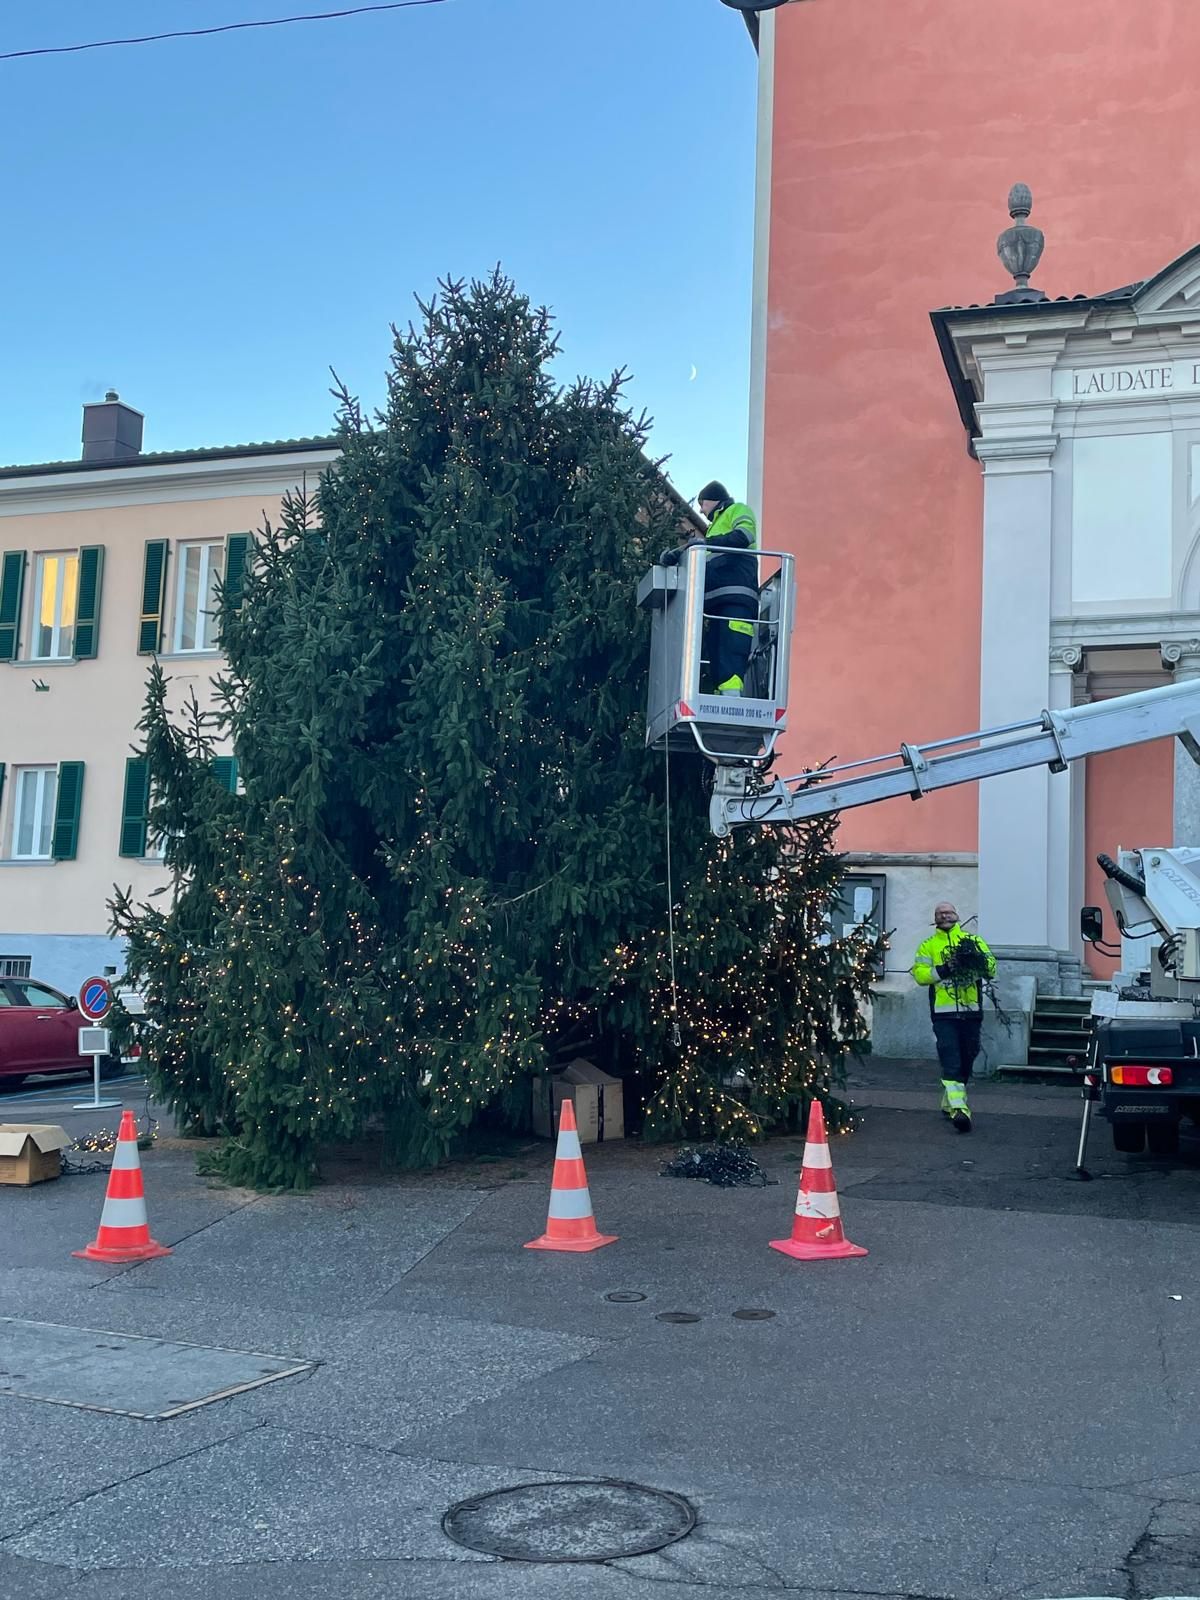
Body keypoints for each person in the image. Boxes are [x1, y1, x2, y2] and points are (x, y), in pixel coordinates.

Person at [661, 481, 759, 694]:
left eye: (702, 504)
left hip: (736, 595)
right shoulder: (714, 529)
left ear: (713, 500)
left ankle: (731, 696)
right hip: (716, 600)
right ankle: (721, 694)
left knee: (732, 646)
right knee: (716, 650)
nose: (700, 510)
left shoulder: (737, 510)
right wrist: (679, 554)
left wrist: (706, 543)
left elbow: (744, 536)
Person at [910, 903, 996, 1133]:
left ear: (957, 916)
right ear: (935, 919)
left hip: (971, 1011)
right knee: (951, 1059)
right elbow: (921, 975)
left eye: (948, 912)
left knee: (968, 1056)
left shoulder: (973, 941)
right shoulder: (928, 945)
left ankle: (949, 1101)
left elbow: (991, 968)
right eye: (940, 913)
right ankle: (960, 1110)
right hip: (943, 1014)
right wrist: (945, 968)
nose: (944, 915)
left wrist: (975, 961)